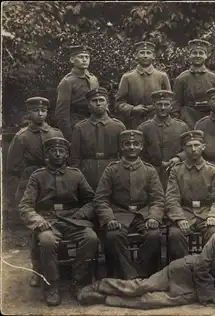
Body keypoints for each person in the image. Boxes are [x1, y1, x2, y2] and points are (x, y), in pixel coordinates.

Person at [77, 210, 215, 309]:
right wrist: (212, 295)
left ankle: (103, 299)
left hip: (197, 288)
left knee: (151, 302)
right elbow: (202, 267)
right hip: (185, 270)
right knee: (143, 286)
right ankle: (100, 286)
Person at [19, 137, 98, 306]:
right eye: (53, 151)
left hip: (73, 219)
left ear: (67, 154)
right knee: (47, 241)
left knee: (90, 238)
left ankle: (78, 282)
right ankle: (52, 285)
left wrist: (83, 213)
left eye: (61, 151)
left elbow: (91, 200)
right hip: (47, 219)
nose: (57, 154)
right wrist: (38, 220)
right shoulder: (37, 176)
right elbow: (25, 205)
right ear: (47, 155)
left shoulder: (76, 175)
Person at [7, 97, 64, 289]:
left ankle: (56, 266)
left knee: (53, 221)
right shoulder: (22, 136)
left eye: (43, 111)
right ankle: (37, 270)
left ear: (47, 113)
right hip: (31, 183)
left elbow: (63, 155)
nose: (40, 114)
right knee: (36, 229)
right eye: (35, 111)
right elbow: (13, 166)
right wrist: (30, 173)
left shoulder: (55, 132)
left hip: (54, 181)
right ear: (29, 113)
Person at [94, 130, 164, 279]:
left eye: (136, 144)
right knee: (113, 236)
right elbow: (101, 199)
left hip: (143, 214)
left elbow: (158, 199)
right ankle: (128, 277)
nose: (132, 147)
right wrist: (109, 219)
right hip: (119, 213)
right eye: (127, 144)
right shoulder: (111, 170)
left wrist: (153, 217)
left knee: (154, 235)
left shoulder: (149, 170)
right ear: (121, 147)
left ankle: (146, 275)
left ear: (141, 147)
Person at [165, 130, 215, 261]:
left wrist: (214, 215)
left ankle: (208, 267)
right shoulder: (176, 170)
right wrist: (179, 218)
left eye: (196, 145)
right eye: (189, 146)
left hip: (206, 213)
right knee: (175, 234)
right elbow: (172, 198)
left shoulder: (212, 170)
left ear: (203, 146)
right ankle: (183, 268)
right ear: (184, 148)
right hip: (185, 212)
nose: (193, 149)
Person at [70, 88, 126, 190]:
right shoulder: (80, 128)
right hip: (87, 173)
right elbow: (75, 158)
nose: (98, 104)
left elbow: (124, 155)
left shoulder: (118, 126)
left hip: (112, 171)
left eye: (101, 100)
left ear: (107, 103)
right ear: (88, 105)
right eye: (94, 101)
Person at [138, 90, 190, 189]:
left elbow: (189, 148)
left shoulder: (181, 126)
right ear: (154, 105)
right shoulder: (144, 128)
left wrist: (178, 158)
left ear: (171, 106)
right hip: (151, 174)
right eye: (159, 104)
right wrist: (156, 162)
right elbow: (139, 152)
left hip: (177, 173)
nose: (163, 108)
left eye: (166, 105)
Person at [115, 41, 171, 129]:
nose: (145, 56)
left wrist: (155, 108)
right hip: (135, 122)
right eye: (142, 53)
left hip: (157, 123)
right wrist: (132, 109)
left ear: (153, 56)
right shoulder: (127, 77)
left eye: (148, 53)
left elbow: (169, 100)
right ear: (136, 55)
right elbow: (119, 103)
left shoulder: (162, 76)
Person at [172, 39, 215, 128]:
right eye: (194, 53)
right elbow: (176, 104)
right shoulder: (181, 78)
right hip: (187, 118)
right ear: (189, 56)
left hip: (209, 118)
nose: (198, 56)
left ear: (206, 56)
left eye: (201, 53)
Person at [55, 45, 99, 140]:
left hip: (95, 126)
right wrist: (70, 137)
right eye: (81, 57)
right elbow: (62, 114)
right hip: (76, 126)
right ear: (72, 60)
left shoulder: (93, 79)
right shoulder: (67, 82)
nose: (84, 60)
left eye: (87, 57)